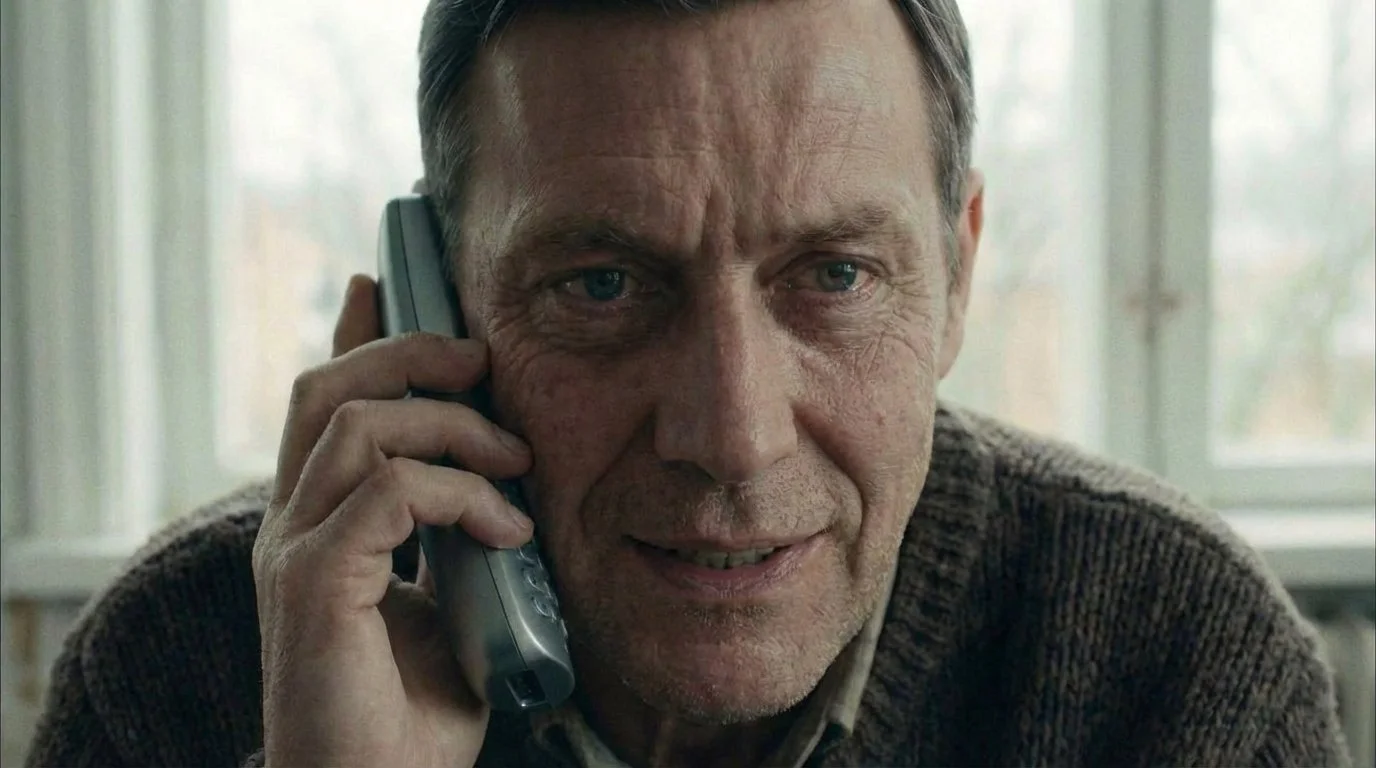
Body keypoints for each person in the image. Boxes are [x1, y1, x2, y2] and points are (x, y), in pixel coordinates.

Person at [24, 1, 1351, 766]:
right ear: (436, 296)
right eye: (603, 283)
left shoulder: (1179, 668)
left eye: (835, 275)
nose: (731, 434)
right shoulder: (182, 675)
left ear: (957, 274)